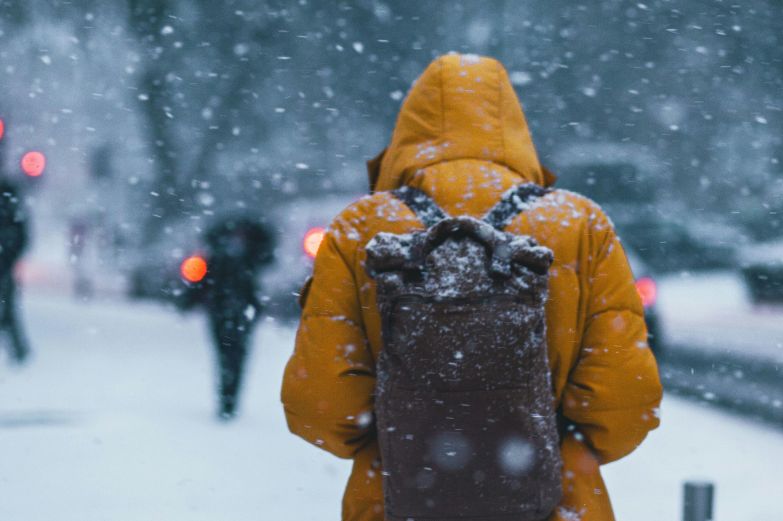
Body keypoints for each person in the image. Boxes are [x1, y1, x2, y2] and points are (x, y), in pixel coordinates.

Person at [281, 54, 663, 521]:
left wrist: (404, 441)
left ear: (408, 132)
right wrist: (551, 448)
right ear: (514, 128)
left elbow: (319, 407)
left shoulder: (361, 228)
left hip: (394, 502)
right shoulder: (578, 224)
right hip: (554, 505)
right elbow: (625, 402)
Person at [182, 215, 275, 420]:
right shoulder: (245, 256)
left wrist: (189, 301)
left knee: (229, 356)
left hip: (228, 311)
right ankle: (228, 399)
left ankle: (228, 399)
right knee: (232, 356)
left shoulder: (226, 255)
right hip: (233, 311)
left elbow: (201, 282)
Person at [0, 178, 29, 365]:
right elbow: (22, 235)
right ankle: (19, 351)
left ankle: (19, 352)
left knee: (8, 310)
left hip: (5, 263)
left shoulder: (8, 196)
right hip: (5, 262)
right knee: (8, 310)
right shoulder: (10, 198)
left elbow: (22, 235)